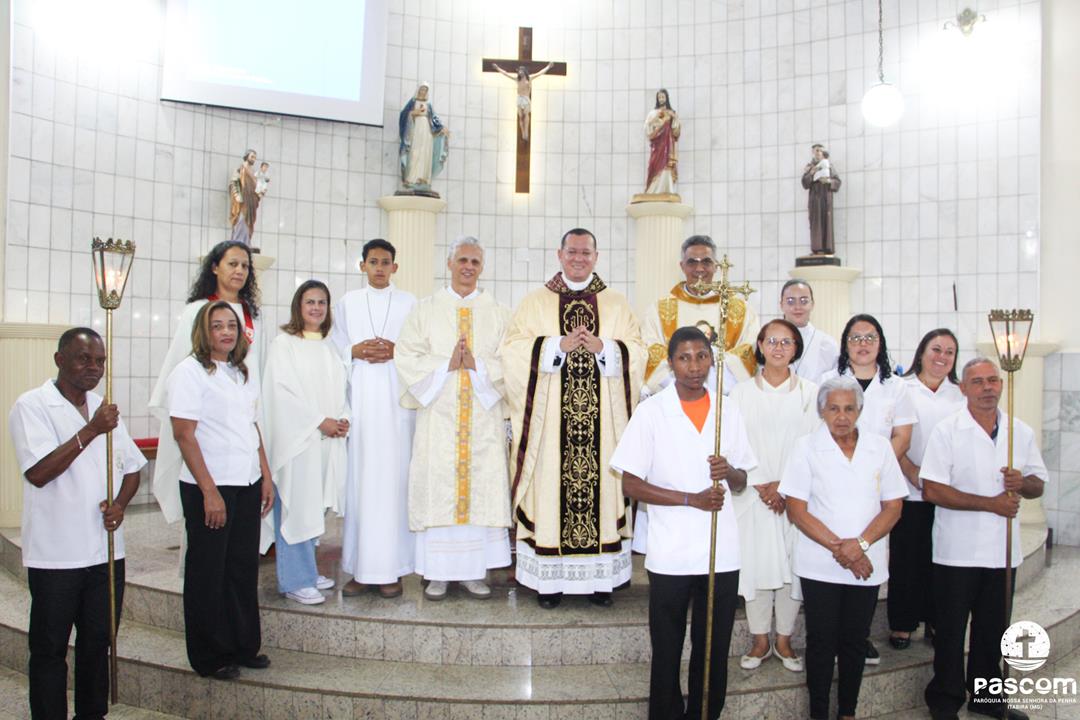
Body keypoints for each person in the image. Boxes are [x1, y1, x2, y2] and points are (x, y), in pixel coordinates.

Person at [612, 326, 755, 720]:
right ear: (671, 362)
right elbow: (630, 483)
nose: (694, 367)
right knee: (668, 645)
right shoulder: (652, 412)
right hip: (671, 551)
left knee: (713, 647)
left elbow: (743, 480)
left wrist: (729, 471)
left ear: (712, 360)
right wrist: (691, 499)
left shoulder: (728, 410)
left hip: (719, 551)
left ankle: (705, 713)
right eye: (684, 358)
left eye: (701, 357)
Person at [501, 227, 646, 608]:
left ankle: (601, 582)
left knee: (602, 495)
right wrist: (554, 346)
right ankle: (549, 585)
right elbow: (512, 352)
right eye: (572, 252)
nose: (579, 259)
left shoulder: (616, 304)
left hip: (603, 430)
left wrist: (606, 349)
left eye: (586, 253)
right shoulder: (534, 302)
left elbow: (639, 352)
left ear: (596, 257)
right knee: (551, 494)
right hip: (551, 430)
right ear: (559, 254)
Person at [9, 328, 145, 719]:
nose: (94, 368)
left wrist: (119, 505)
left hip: (104, 553)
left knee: (97, 645)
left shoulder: (103, 407)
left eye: (100, 361)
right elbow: (38, 472)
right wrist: (91, 430)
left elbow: (133, 468)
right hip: (57, 555)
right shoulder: (32, 405)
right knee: (50, 648)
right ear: (60, 360)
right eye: (84, 359)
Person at [922, 358, 1047, 720]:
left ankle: (987, 697)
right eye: (977, 382)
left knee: (993, 630)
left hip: (1002, 551)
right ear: (963, 388)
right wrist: (989, 504)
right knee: (950, 631)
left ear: (1002, 385)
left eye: (993, 380)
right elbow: (932, 489)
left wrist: (1021, 482)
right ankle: (945, 699)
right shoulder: (947, 431)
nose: (987, 387)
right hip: (956, 551)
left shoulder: (1019, 431)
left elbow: (1037, 484)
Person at [780, 376, 907, 720]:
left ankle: (848, 711)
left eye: (849, 409)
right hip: (820, 563)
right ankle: (819, 713)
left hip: (867, 562)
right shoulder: (805, 447)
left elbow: (894, 507)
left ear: (860, 411)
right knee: (821, 641)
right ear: (822, 411)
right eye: (834, 408)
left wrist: (860, 545)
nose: (841, 416)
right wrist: (844, 550)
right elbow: (797, 510)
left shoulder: (879, 447)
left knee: (855, 640)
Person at [395, 237, 512, 600]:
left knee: (480, 490)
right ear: (449, 264)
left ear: (482, 267)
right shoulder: (426, 309)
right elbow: (406, 355)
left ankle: (474, 573)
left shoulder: (499, 313)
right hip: (439, 419)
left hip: (482, 421)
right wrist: (446, 364)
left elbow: (511, 361)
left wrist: (478, 366)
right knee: (439, 489)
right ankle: (439, 574)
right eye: (462, 260)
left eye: (475, 262)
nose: (468, 267)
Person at [168, 301, 275, 680]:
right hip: (209, 486)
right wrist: (209, 492)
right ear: (204, 331)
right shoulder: (190, 372)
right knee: (208, 572)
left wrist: (265, 475)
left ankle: (243, 645)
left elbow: (252, 426)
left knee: (242, 567)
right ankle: (209, 656)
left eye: (232, 325)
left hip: (246, 482)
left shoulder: (240, 371)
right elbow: (184, 434)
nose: (226, 332)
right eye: (218, 326)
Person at [820, 313, 915, 665]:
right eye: (855, 337)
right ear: (845, 344)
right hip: (834, 482)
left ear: (880, 344)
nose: (863, 344)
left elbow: (902, 436)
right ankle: (832, 636)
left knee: (871, 555)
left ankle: (859, 636)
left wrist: (874, 468)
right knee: (835, 553)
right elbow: (818, 432)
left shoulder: (896, 387)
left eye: (870, 337)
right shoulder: (828, 381)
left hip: (878, 487)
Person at [150, 240, 265, 527]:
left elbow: (257, 366)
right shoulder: (198, 310)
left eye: (245, 266)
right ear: (214, 267)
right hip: (207, 425)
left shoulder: (252, 314)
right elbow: (183, 360)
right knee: (207, 530)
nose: (239, 271)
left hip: (245, 414)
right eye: (232, 264)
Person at [730, 320, 819, 673]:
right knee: (756, 567)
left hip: (794, 498)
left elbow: (815, 446)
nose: (778, 348)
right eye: (772, 341)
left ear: (796, 348)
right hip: (754, 496)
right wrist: (761, 484)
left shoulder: (811, 393)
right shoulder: (740, 394)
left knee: (791, 568)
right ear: (760, 345)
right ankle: (759, 639)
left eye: (786, 342)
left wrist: (786, 485)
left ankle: (784, 637)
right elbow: (734, 445)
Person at [331, 239, 418, 599]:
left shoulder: (410, 303)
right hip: (363, 410)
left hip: (397, 412)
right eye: (373, 262)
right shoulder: (347, 303)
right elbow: (332, 348)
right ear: (362, 265)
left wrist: (398, 351)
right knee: (362, 488)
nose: (379, 268)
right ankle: (360, 570)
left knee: (393, 487)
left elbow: (421, 349)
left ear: (395, 267)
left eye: (385, 262)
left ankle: (391, 571)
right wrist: (353, 350)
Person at [261, 280, 349, 606]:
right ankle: (295, 580)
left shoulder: (329, 346)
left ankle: (308, 571)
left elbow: (342, 388)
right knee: (296, 508)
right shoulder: (283, 345)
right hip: (297, 442)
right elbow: (280, 395)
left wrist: (343, 418)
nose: (316, 308)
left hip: (324, 442)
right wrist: (319, 422)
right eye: (310, 302)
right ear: (298, 306)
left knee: (313, 508)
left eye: (322, 302)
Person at [887, 329, 964, 649]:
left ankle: (936, 620)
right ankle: (902, 624)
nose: (941, 357)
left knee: (942, 561)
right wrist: (910, 470)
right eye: (936, 349)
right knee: (907, 559)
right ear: (921, 353)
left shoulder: (960, 394)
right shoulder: (901, 388)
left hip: (947, 492)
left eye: (949, 352)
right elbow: (891, 435)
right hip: (908, 487)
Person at [642, 235, 759, 397]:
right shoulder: (659, 310)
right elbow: (650, 350)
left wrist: (716, 361)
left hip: (724, 398)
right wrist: (683, 385)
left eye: (706, 262)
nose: (699, 268)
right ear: (682, 266)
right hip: (676, 397)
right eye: (692, 262)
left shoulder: (740, 310)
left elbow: (750, 349)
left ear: (716, 266)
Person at [779, 279, 839, 384]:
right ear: (781, 305)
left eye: (804, 301)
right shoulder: (768, 342)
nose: (797, 307)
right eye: (791, 301)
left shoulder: (828, 344)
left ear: (812, 304)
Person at [398, 83, 449, 194]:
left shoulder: (428, 105)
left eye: (425, 90)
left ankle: (424, 178)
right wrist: (413, 113)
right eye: (422, 89)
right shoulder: (412, 103)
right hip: (415, 130)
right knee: (415, 152)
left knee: (425, 153)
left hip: (427, 132)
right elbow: (403, 115)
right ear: (418, 90)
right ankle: (411, 178)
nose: (423, 92)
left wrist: (442, 128)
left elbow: (435, 120)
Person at [490, 62, 555, 141]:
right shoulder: (517, 79)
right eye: (519, 71)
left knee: (526, 115)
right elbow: (506, 74)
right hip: (519, 98)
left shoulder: (529, 78)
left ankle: (526, 132)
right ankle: (523, 132)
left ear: (524, 71)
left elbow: (540, 73)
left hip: (526, 98)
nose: (520, 72)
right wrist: (497, 68)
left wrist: (548, 67)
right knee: (521, 117)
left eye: (521, 71)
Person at [800, 144, 842, 255]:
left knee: (826, 221)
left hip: (826, 198)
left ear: (823, 152)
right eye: (815, 151)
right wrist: (811, 173)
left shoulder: (829, 166)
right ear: (813, 153)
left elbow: (837, 182)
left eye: (819, 150)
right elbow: (804, 183)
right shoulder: (810, 167)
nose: (818, 153)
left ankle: (827, 248)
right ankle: (816, 248)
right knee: (815, 223)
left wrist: (829, 181)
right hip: (815, 199)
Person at [643, 88, 681, 196]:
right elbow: (647, 127)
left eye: (663, 97)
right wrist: (656, 118)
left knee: (666, 164)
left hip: (668, 144)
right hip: (657, 145)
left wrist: (674, 118)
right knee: (654, 164)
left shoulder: (671, 113)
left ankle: (667, 189)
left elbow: (676, 131)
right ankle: (653, 190)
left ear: (666, 98)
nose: (661, 99)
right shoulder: (653, 113)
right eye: (659, 97)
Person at [229, 149, 261, 244]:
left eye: (255, 157)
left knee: (249, 222)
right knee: (241, 219)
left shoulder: (253, 172)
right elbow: (234, 182)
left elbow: (256, 186)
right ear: (247, 156)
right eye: (252, 156)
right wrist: (238, 195)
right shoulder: (240, 169)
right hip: (242, 201)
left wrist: (259, 193)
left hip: (251, 201)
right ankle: (238, 241)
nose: (253, 159)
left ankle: (246, 242)